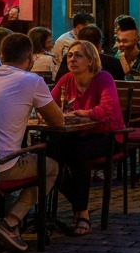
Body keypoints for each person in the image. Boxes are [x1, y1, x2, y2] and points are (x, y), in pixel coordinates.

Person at [0, 33, 63, 252]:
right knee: (51, 167)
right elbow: (58, 121)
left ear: (1, 56)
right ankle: (10, 223)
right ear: (30, 58)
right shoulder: (32, 80)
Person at [48, 40, 122, 237]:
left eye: (78, 55)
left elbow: (106, 111)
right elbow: (49, 105)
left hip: (107, 135)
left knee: (76, 152)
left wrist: (80, 113)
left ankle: (82, 212)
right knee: (48, 154)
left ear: (90, 60)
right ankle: (77, 201)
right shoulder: (66, 79)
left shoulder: (103, 78)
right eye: (70, 55)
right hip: (77, 134)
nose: (72, 59)